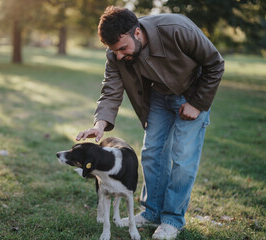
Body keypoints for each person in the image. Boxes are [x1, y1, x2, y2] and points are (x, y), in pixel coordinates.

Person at [76, 6, 224, 240]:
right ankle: (152, 212)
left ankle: (172, 220)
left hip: (193, 94)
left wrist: (196, 103)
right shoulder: (115, 53)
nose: (120, 56)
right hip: (157, 96)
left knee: (183, 156)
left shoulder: (177, 28)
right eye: (115, 51)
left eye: (123, 49)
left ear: (136, 33)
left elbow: (215, 63)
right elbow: (111, 90)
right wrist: (100, 124)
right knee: (152, 152)